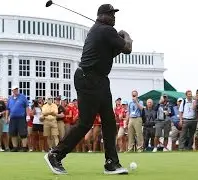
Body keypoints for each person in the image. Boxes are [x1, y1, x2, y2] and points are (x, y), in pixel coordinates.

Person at [45, 4, 133, 175]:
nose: (113, 17)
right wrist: (125, 34)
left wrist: (119, 38)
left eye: (114, 14)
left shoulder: (101, 32)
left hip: (99, 80)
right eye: (109, 14)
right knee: (86, 123)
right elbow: (128, 48)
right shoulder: (106, 30)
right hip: (88, 79)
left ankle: (111, 163)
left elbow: (114, 52)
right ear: (100, 16)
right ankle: (55, 154)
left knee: (109, 122)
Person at [6, 86, 29, 152]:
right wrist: (7, 117)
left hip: (21, 117)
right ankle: (15, 147)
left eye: (16, 89)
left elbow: (27, 106)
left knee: (23, 133)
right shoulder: (10, 98)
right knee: (13, 133)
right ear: (12, 91)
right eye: (14, 90)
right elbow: (7, 109)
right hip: (12, 118)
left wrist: (28, 116)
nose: (15, 91)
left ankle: (24, 147)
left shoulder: (22, 97)